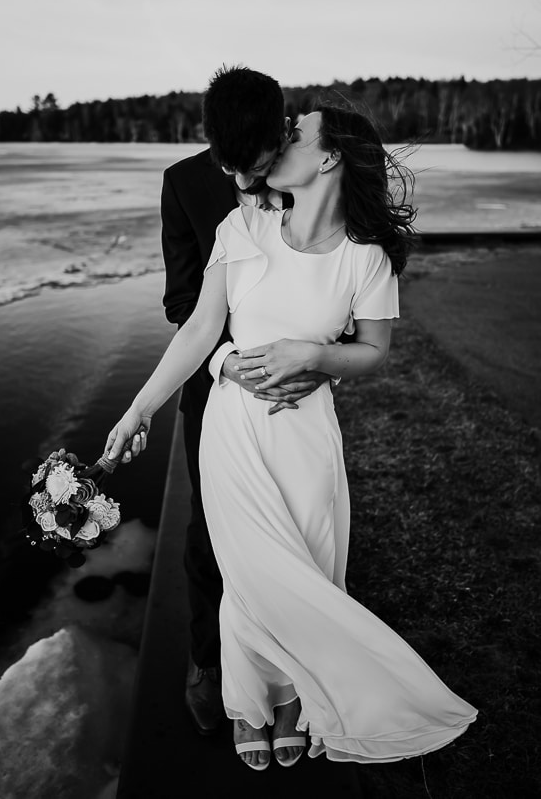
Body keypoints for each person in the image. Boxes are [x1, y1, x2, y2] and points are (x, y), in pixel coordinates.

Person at [105, 101, 477, 771]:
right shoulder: (240, 224)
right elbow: (195, 330)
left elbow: (372, 351)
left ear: (328, 155)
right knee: (249, 574)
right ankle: (249, 701)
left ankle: (294, 700)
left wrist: (315, 358)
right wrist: (139, 411)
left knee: (308, 560)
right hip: (233, 430)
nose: (280, 141)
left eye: (295, 133)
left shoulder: (366, 259)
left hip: (307, 433)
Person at [158, 65, 332, 738]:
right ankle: (210, 662)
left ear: (278, 135)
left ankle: (293, 672)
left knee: (296, 529)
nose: (244, 181)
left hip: (297, 389)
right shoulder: (182, 183)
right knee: (208, 533)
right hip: (216, 386)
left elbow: (336, 276)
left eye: (256, 164)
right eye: (231, 165)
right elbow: (182, 304)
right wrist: (233, 363)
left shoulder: (308, 173)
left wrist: (317, 359)